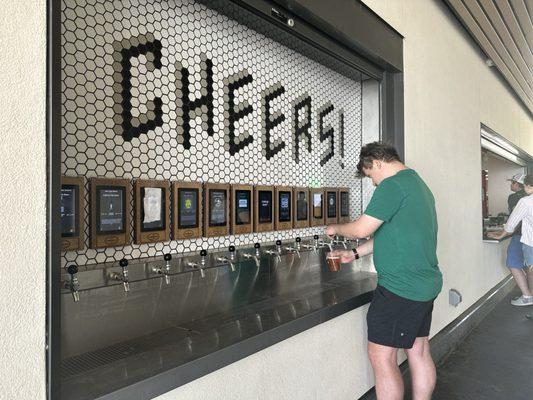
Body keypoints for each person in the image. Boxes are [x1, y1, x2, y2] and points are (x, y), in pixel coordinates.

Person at [326, 141, 442, 400]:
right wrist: (354, 253)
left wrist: (335, 229)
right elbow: (390, 235)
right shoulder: (419, 185)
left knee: (381, 355)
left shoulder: (392, 185)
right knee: (419, 349)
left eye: (371, 175)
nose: (374, 183)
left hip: (401, 288)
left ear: (377, 162)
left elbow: (360, 229)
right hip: (425, 283)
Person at [488, 174, 533, 306]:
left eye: (525, 185)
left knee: (528, 268)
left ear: (529, 185)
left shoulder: (525, 201)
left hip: (530, 241)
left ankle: (528, 297)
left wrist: (501, 234)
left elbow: (512, 222)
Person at [502, 173, 528, 305]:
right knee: (529, 265)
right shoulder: (529, 196)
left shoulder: (514, 198)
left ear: (518, 184)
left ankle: (527, 295)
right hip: (528, 236)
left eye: (512, 182)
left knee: (512, 262)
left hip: (520, 235)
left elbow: (516, 219)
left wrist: (505, 232)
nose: (511, 185)